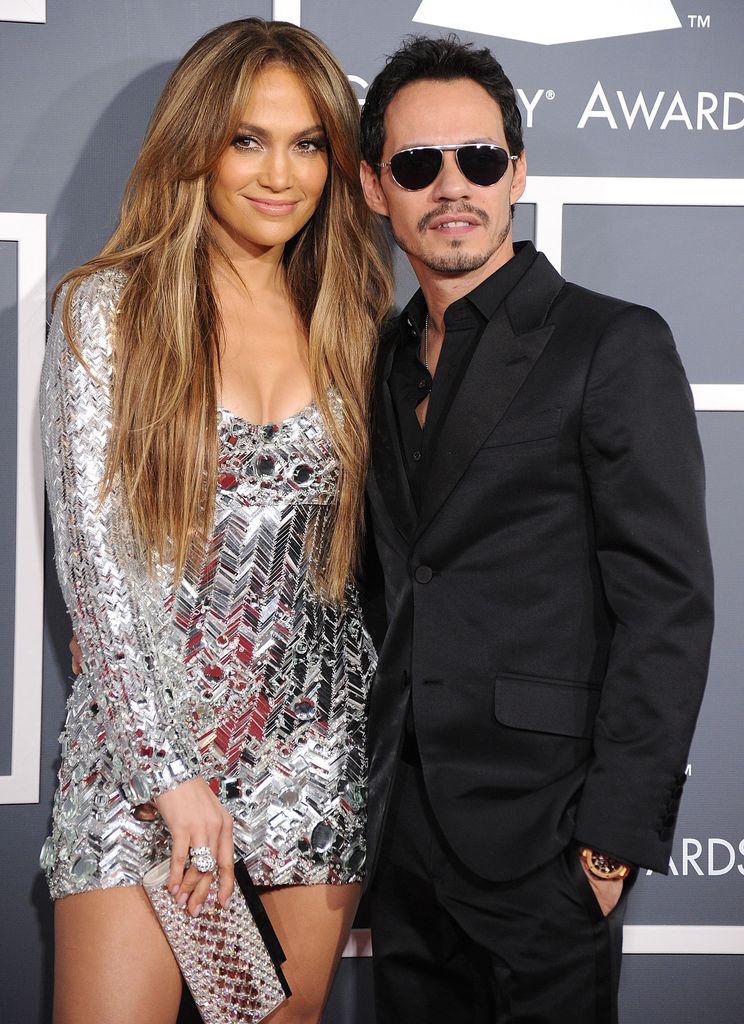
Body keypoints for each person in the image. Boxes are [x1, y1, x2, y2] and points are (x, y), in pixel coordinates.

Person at [40, 18, 392, 1024]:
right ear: (197, 143)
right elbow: (96, 561)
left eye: (309, 142)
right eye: (248, 139)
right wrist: (172, 778)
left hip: (309, 762)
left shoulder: (356, 323)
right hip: (144, 773)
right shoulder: (108, 310)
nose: (280, 173)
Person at [358, 35, 714, 1024]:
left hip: (546, 843)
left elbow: (668, 605)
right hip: (401, 845)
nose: (452, 187)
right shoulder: (377, 364)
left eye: (478, 158)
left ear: (517, 170)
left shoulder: (611, 343)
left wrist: (606, 850)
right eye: (418, 165)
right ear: (374, 185)